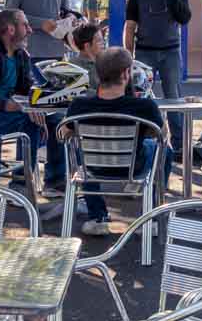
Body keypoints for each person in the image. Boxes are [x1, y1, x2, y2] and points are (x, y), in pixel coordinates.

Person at [57, 47, 168, 236]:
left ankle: (98, 217)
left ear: (98, 75)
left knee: (79, 146)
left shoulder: (79, 105)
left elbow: (61, 135)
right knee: (164, 149)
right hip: (133, 168)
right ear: (126, 74)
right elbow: (162, 135)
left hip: (93, 168)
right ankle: (150, 219)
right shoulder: (144, 106)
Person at [0, 8, 61, 196]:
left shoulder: (21, 55)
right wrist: (25, 108)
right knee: (30, 120)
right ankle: (20, 184)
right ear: (10, 29)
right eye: (25, 25)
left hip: (10, 111)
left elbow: (28, 89)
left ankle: (55, 182)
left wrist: (45, 102)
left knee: (57, 119)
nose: (30, 30)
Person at [123, 0, 190, 100]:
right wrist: (129, 55)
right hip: (144, 53)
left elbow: (184, 19)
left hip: (171, 53)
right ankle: (143, 124)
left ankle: (176, 125)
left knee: (174, 97)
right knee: (140, 97)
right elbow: (130, 26)